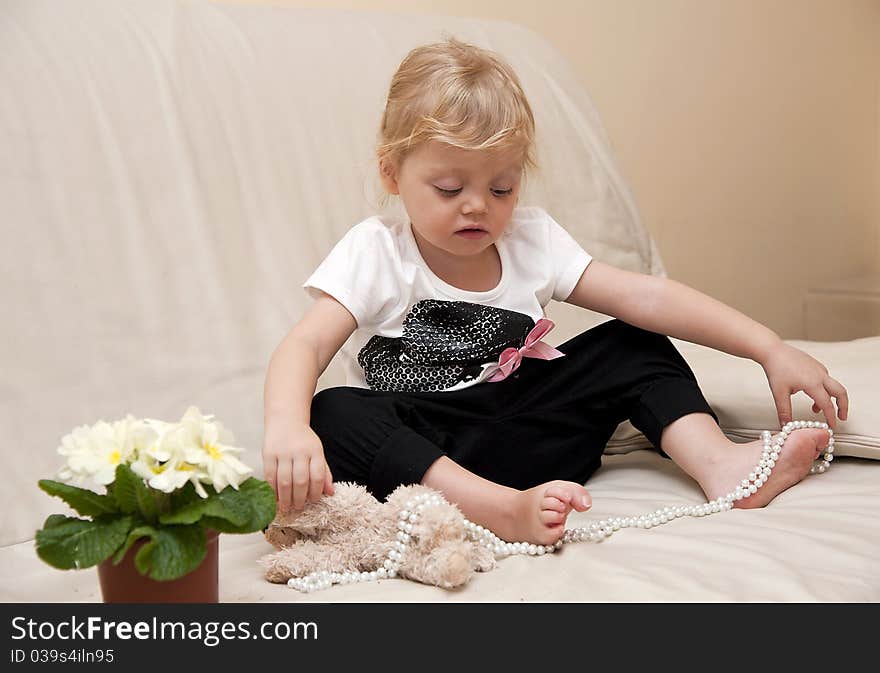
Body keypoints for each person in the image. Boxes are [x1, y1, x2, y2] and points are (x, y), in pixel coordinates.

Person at [262, 37, 849, 546]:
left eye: (501, 188)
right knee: (333, 410)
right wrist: (288, 425)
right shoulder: (377, 251)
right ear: (393, 173)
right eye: (448, 187)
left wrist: (767, 346)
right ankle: (491, 508)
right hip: (433, 449)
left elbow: (647, 297)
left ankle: (720, 464)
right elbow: (305, 347)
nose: (478, 206)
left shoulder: (531, 239)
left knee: (632, 340)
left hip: (533, 429)